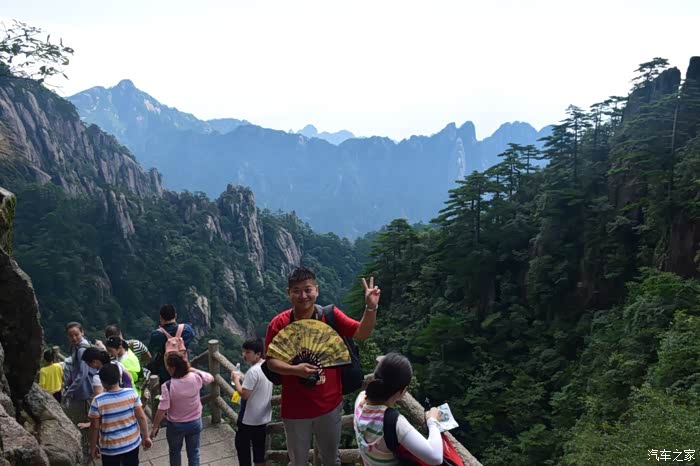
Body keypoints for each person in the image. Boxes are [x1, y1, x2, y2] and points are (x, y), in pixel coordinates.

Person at [264, 266, 381, 466]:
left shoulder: (330, 316)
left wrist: (370, 308)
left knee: (331, 460)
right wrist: (295, 370)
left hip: (329, 406)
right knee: (297, 462)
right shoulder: (279, 324)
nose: (303, 296)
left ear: (316, 290)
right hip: (294, 409)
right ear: (288, 293)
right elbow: (271, 362)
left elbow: (362, 333)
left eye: (308, 289)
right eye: (296, 291)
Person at [354, 353, 443, 466]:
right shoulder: (393, 422)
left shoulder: (360, 400)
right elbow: (436, 458)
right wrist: (432, 421)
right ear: (403, 391)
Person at [151, 352, 214, 466]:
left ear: (172, 368)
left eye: (167, 366)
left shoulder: (168, 386)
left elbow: (162, 409)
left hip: (176, 425)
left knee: (175, 453)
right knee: (194, 452)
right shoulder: (196, 377)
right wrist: (193, 370)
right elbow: (210, 378)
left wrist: (155, 425)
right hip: (195, 422)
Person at [88, 363, 152, 465]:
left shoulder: (98, 401)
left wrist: (93, 447)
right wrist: (146, 436)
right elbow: (141, 417)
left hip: (110, 448)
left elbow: (95, 427)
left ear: (102, 382)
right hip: (132, 443)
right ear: (119, 377)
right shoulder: (131, 393)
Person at [231, 338, 273, 466]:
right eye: (243, 351)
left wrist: (236, 379)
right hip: (262, 418)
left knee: (243, 450)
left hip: (248, 420)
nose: (244, 355)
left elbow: (244, 395)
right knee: (259, 454)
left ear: (258, 354)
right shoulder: (268, 366)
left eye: (248, 352)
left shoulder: (253, 371)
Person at [148, 304, 195, 383]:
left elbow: (151, 352)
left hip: (166, 373)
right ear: (175, 315)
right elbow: (192, 337)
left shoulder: (156, 334)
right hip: (184, 370)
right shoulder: (187, 329)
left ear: (161, 318)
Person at [63, 322, 94, 425]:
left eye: (76, 334)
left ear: (82, 332)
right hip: (85, 388)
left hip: (86, 390)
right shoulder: (80, 346)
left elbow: (83, 374)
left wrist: (69, 391)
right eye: (71, 336)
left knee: (84, 421)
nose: (74, 338)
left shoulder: (81, 350)